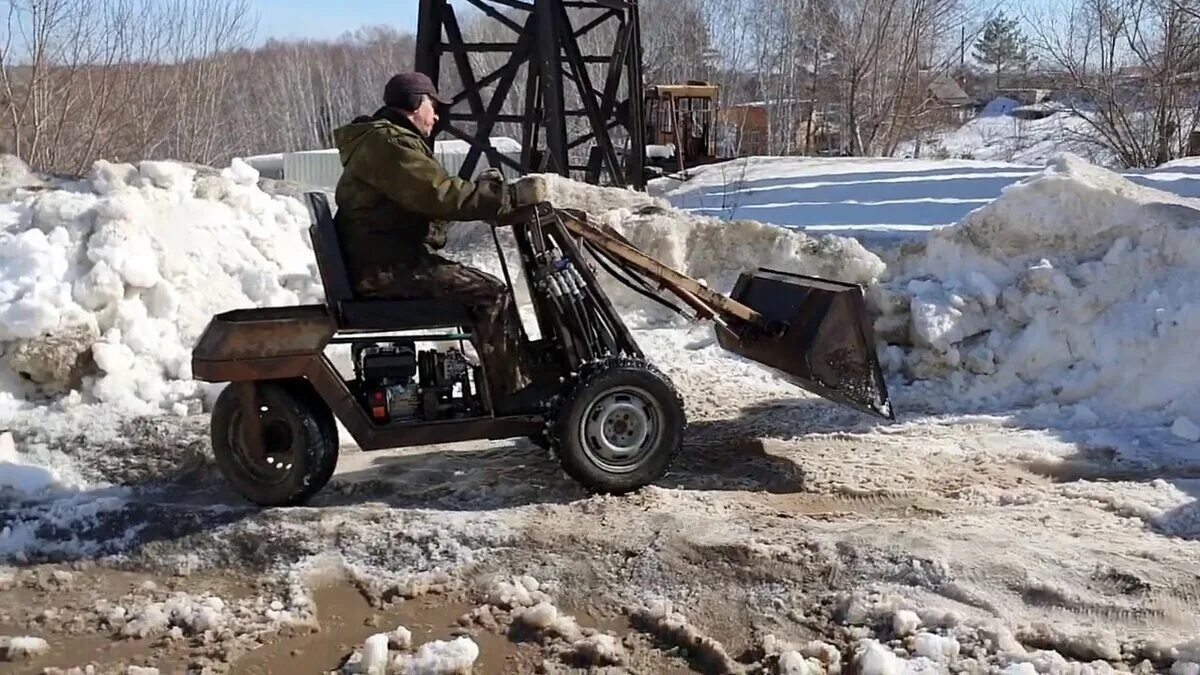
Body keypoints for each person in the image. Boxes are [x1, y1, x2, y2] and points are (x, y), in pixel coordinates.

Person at [331, 71, 540, 412]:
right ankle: (511, 397)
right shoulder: (390, 144)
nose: (438, 116)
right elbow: (440, 194)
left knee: (480, 286)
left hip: (383, 260)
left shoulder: (386, 142)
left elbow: (429, 205)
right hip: (385, 269)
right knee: (492, 294)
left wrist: (483, 200)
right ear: (416, 104)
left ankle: (499, 382)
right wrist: (504, 198)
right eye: (433, 105)